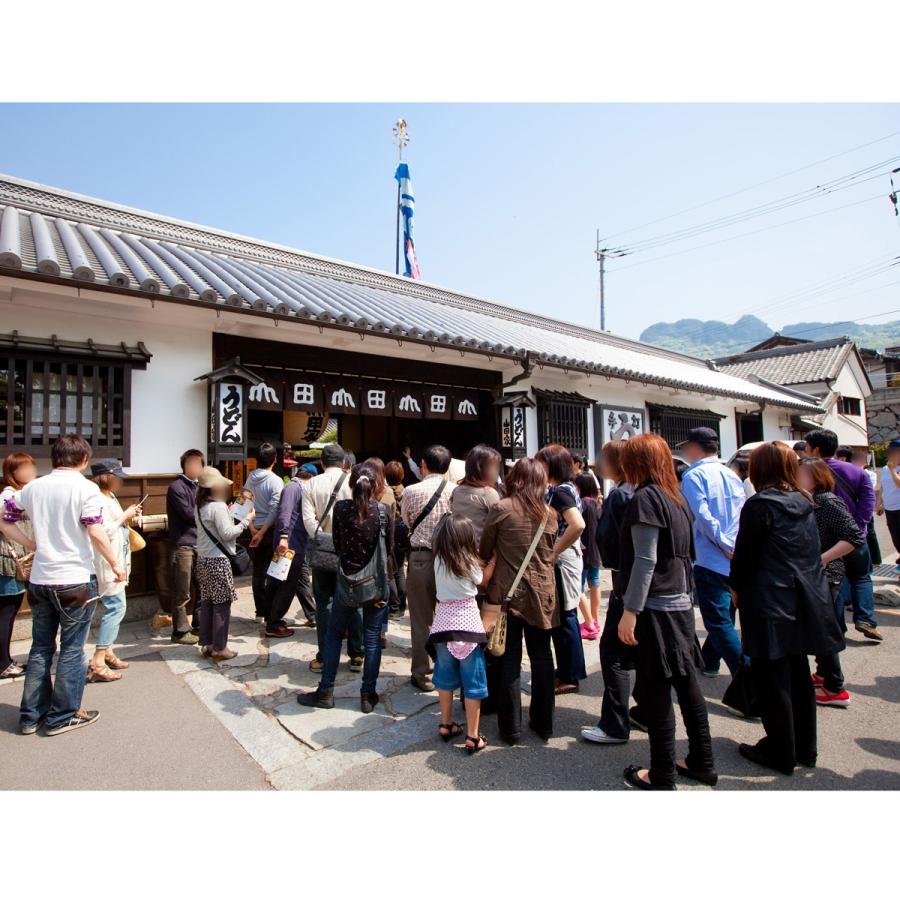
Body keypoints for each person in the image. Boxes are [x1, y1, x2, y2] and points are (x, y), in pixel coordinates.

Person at [730, 442, 844, 775]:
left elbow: (745, 558)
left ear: (759, 468)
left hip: (767, 599)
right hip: (803, 596)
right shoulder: (804, 501)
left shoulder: (759, 505)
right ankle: (805, 748)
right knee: (797, 674)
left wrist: (735, 591)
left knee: (772, 677)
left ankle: (780, 750)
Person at [6, 434, 124, 736]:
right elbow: (95, 530)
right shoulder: (86, 488)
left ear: (55, 457)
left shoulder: (33, 488)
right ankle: (62, 716)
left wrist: (30, 542)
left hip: (40, 580)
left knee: (40, 647)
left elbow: (4, 516)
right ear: (84, 459)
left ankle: (31, 716)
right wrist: (115, 563)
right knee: (72, 650)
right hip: (74, 580)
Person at [616, 433, 715, 790]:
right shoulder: (676, 497)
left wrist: (630, 611)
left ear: (636, 462)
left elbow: (645, 560)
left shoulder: (644, 498)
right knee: (689, 687)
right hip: (680, 604)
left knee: (656, 692)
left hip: (655, 609)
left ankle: (661, 774)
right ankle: (702, 760)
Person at [299, 463, 393, 713]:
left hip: (347, 582)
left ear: (352, 484)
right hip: (375, 584)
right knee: (372, 640)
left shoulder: (341, 509)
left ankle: (326, 691)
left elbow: (338, 545)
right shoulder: (383, 512)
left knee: (332, 635)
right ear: (376, 486)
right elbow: (389, 549)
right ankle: (367, 694)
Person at [480, 458, 557, 744]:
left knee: (509, 658)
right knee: (542, 657)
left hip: (508, 593)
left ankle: (510, 728)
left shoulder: (502, 508)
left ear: (517, 479)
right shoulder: (550, 514)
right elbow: (550, 552)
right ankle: (544, 723)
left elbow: (485, 548)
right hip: (543, 593)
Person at [582, 440, 639, 745]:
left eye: (603, 458)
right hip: (648, 586)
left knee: (613, 653)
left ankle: (615, 723)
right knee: (641, 651)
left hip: (624, 583)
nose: (598, 463)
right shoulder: (646, 491)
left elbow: (609, 545)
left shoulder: (619, 495)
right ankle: (643, 710)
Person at [679, 426, 746, 678]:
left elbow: (702, 517)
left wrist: (724, 544)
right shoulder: (731, 475)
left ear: (695, 447)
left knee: (718, 622)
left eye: (686, 446)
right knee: (725, 615)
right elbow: (741, 514)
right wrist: (735, 545)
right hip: (733, 555)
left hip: (711, 556)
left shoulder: (693, 476)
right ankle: (709, 661)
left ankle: (747, 679)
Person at [804, 428, 881, 641]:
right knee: (861, 577)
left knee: (832, 583)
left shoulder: (807, 473)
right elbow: (868, 503)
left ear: (816, 449)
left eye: (807, 447)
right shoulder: (857, 472)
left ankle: (837, 628)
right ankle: (865, 618)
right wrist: (857, 527)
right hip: (854, 537)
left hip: (824, 541)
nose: (805, 451)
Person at [797, 458, 862, 707]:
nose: (796, 478)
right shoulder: (812, 500)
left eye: (800, 474)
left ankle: (835, 687)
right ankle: (824, 674)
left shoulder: (827, 502)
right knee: (821, 626)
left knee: (825, 629)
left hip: (827, 574)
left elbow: (854, 536)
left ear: (815, 477)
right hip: (817, 573)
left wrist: (823, 559)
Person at [428, 513, 496, 753]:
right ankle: (473, 736)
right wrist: (492, 564)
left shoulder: (438, 561)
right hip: (468, 629)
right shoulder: (468, 561)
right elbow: (482, 581)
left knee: (444, 680)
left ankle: (445, 724)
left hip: (442, 629)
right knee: (473, 683)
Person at [302, 443, 360, 672]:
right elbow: (361, 514)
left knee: (323, 603)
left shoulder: (311, 484)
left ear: (322, 462)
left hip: (323, 551)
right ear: (344, 462)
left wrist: (322, 537)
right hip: (350, 551)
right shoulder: (354, 483)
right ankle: (357, 654)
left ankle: (325, 655)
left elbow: (308, 520)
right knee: (354, 601)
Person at [401, 444, 454, 692]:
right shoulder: (455, 491)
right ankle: (450, 671)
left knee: (422, 620)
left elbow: (406, 521)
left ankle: (422, 674)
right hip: (449, 560)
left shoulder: (411, 491)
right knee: (451, 617)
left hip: (420, 558)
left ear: (423, 464)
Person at [535, 444, 587, 696]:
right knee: (563, 616)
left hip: (564, 559)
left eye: (542, 462)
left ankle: (570, 675)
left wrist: (554, 550)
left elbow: (577, 524)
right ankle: (567, 670)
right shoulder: (561, 489)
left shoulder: (562, 492)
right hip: (565, 557)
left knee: (566, 616)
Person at [87, 459, 141, 683]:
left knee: (116, 606)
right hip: (107, 562)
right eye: (116, 476)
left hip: (118, 559)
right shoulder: (97, 499)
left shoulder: (110, 496)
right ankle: (99, 659)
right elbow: (100, 530)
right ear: (105, 476)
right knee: (116, 607)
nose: (119, 481)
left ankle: (107, 651)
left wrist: (130, 518)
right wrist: (124, 516)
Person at [195, 466, 253, 662]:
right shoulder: (217, 507)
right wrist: (246, 521)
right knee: (222, 604)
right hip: (218, 562)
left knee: (208, 602)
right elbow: (228, 533)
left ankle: (208, 644)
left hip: (203, 560)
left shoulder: (200, 505)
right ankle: (220, 647)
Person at [263, 464, 312, 638]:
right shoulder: (293, 488)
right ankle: (274, 623)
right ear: (310, 478)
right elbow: (284, 512)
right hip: (290, 544)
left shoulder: (294, 487)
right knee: (286, 585)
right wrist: (284, 535)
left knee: (280, 581)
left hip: (290, 542)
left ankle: (271, 617)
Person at [0, 453, 37, 679]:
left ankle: (5, 659)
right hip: (8, 561)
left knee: (10, 611)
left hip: (19, 560)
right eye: (22, 468)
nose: (29, 471)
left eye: (30, 467)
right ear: (12, 473)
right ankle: (3, 663)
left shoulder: (26, 493)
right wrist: (30, 544)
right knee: (5, 612)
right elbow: (3, 524)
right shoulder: (9, 494)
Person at [165, 448, 204, 645]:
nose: (195, 467)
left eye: (198, 463)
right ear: (184, 465)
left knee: (201, 586)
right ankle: (179, 631)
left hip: (200, 543)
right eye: (191, 463)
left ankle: (199, 625)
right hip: (183, 545)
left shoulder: (201, 486)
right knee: (182, 590)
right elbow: (189, 515)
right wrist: (209, 513)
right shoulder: (176, 487)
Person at [245, 442, 284, 624]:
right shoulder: (276, 480)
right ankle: (270, 612)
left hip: (253, 530)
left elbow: (243, 505)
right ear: (274, 459)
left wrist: (252, 528)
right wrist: (263, 532)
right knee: (274, 572)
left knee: (258, 572)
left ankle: (260, 611)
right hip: (270, 532)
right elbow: (275, 509)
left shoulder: (250, 478)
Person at [574, 471, 602, 640]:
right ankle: (595, 619)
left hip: (584, 552)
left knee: (578, 589)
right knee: (595, 585)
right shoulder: (597, 504)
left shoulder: (582, 504)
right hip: (596, 551)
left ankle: (589, 624)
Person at [385, 460, 408, 617]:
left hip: (390, 533)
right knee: (400, 569)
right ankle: (402, 605)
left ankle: (394, 606)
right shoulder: (406, 491)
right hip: (403, 532)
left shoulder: (384, 492)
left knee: (390, 571)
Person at [852, 448, 882, 566]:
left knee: (870, 533)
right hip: (854, 508)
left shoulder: (870, 474)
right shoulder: (852, 473)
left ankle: (876, 560)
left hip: (865, 508)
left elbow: (871, 489)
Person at [875, 438, 900, 571]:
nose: (890, 454)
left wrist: (892, 470)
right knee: (896, 538)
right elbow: (883, 487)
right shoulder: (885, 468)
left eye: (894, 451)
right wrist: (879, 504)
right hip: (890, 509)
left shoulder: (890, 468)